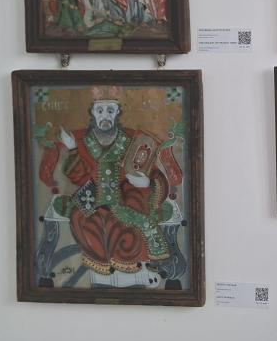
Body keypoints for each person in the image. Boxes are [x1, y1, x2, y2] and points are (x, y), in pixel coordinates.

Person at [36, 88, 183, 284]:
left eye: (110, 111)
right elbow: (78, 178)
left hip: (126, 198)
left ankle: (131, 273)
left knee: (133, 213)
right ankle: (102, 272)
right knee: (85, 219)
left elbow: (152, 170)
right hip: (94, 197)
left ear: (117, 114)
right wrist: (72, 149)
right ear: (93, 114)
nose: (105, 116)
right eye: (100, 111)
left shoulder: (132, 139)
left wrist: (147, 182)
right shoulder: (82, 141)